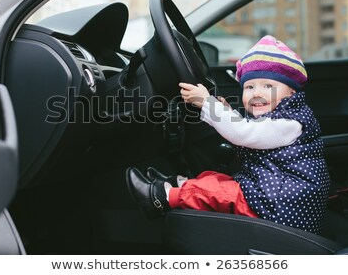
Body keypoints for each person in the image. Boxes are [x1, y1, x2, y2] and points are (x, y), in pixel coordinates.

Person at [126, 35, 330, 234]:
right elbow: (251, 131)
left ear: (290, 93)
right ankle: (177, 184)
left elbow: (244, 134)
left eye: (268, 86)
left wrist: (207, 103)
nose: (256, 93)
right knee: (214, 179)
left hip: (282, 207)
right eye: (249, 86)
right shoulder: (281, 114)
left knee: (217, 192)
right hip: (275, 192)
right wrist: (225, 111)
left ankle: (160, 198)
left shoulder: (289, 123)